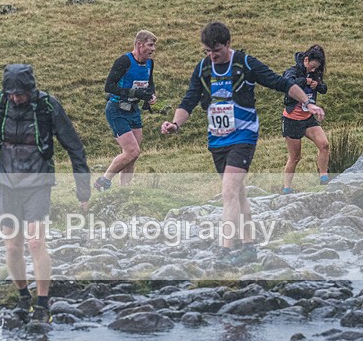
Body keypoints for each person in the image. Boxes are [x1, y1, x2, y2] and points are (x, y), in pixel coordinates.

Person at [161, 22, 325, 266]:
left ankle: (225, 251)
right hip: (217, 140)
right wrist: (175, 124)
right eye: (207, 51)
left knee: (228, 192)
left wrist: (308, 103)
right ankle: (249, 247)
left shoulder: (245, 63)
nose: (212, 56)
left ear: (227, 44)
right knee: (238, 194)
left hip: (244, 136)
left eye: (216, 51)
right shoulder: (203, 68)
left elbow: (280, 82)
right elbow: (189, 99)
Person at [0, 64, 91, 325]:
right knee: (12, 245)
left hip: (38, 181)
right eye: (12, 94)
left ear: (31, 89)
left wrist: (82, 189)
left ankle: (42, 304)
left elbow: (73, 145)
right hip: (7, 182)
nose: (16, 98)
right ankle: (22, 296)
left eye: (20, 94)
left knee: (35, 242)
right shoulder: (0, 102)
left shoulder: (48, 106)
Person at [94, 30, 157, 191]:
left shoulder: (150, 63)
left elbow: (149, 83)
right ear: (139, 44)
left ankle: (125, 190)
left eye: (154, 45)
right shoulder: (124, 61)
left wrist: (151, 96)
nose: (153, 49)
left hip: (134, 111)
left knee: (132, 156)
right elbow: (109, 87)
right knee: (132, 151)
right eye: (150, 45)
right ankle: (103, 181)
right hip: (117, 110)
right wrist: (135, 93)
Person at [281, 44, 329, 193]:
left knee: (324, 145)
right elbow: (288, 84)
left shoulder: (315, 73)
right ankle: (287, 189)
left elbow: (324, 89)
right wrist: (306, 81)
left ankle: (324, 180)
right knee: (295, 157)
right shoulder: (293, 71)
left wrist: (317, 84)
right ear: (306, 60)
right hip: (292, 119)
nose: (314, 70)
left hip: (308, 119)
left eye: (317, 68)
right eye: (312, 66)